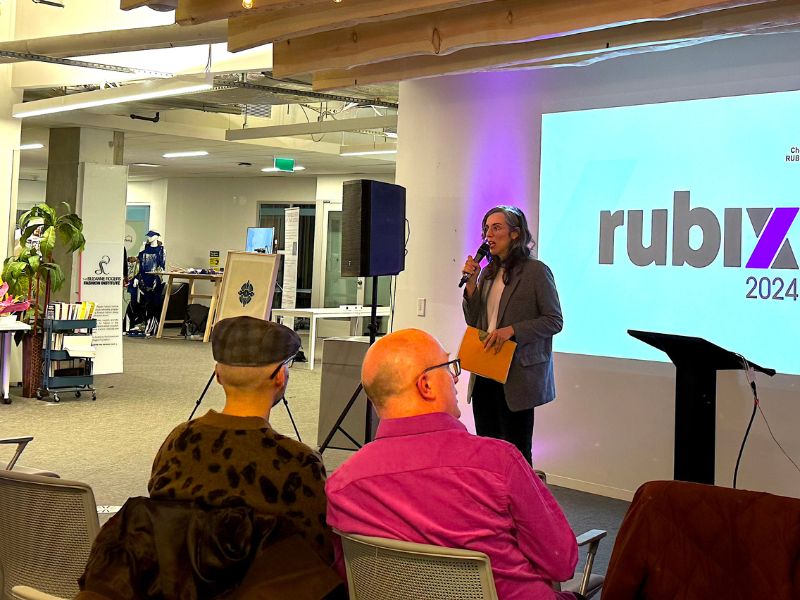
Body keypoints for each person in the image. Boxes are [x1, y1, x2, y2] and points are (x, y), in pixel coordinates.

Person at [326, 329, 579, 600]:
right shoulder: (499, 462)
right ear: (426, 385)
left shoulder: (341, 486)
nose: (455, 377)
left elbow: (351, 577)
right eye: (448, 368)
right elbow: (561, 562)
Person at [148, 316, 333, 564]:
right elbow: (318, 555)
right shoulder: (298, 463)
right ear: (280, 377)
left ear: (218, 376)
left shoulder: (178, 442)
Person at [461, 205, 563, 464]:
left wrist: (513, 331)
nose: (488, 235)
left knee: (516, 452)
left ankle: (521, 503)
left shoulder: (536, 272)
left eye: (496, 228)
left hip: (516, 374)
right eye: (486, 229)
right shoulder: (486, 273)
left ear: (516, 234)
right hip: (485, 370)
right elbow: (474, 321)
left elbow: (554, 320)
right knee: (488, 447)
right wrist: (471, 286)